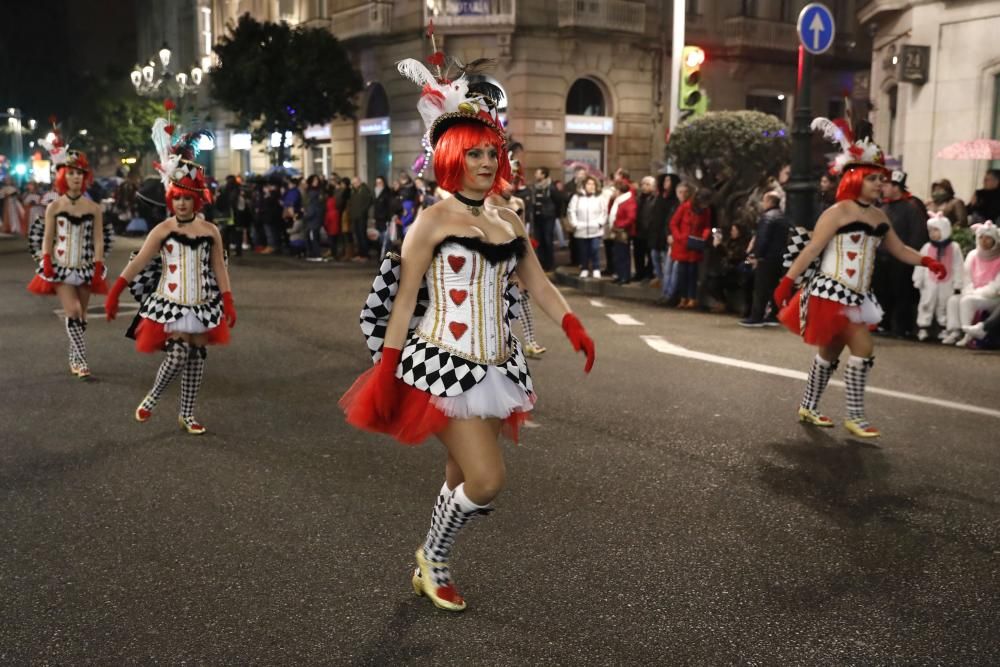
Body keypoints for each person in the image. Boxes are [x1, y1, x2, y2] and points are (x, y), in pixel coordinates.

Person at [340, 55, 595, 613]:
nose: (484, 162)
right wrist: (386, 367)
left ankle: (432, 559)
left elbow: (538, 282)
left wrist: (572, 324)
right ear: (452, 158)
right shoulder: (432, 220)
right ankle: (432, 558)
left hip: (498, 368)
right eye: (473, 153)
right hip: (441, 365)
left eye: (490, 152)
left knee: (459, 476)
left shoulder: (509, 220)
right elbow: (404, 299)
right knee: (486, 480)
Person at [774, 118, 946, 438]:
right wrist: (787, 282)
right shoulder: (837, 212)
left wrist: (926, 261)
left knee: (830, 352)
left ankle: (808, 407)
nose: (879, 185)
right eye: (873, 180)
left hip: (857, 294)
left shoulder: (880, 216)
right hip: (831, 290)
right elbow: (812, 249)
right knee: (863, 348)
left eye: (881, 180)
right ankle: (855, 416)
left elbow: (899, 248)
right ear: (855, 179)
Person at [104, 122, 237, 435]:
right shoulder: (162, 230)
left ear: (196, 201)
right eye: (177, 198)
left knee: (197, 356)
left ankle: (187, 414)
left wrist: (228, 302)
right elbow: (138, 264)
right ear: (171, 198)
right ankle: (152, 397)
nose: (181, 204)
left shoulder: (209, 230)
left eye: (187, 199)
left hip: (203, 303)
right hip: (171, 302)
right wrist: (114, 293)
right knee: (178, 354)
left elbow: (219, 267)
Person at [26, 141, 108, 379]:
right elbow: (48, 237)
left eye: (79, 173)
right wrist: (47, 259)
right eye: (71, 173)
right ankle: (82, 362)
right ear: (63, 175)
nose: (75, 177)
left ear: (85, 177)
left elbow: (99, 239)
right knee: (72, 311)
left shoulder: (93, 208)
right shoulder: (54, 206)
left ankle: (74, 357)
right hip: (60, 266)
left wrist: (98, 263)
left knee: (81, 315)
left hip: (85, 266)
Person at [874, 170, 929, 338]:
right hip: (882, 257)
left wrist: (911, 255)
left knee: (901, 293)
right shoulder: (884, 207)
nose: (882, 188)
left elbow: (917, 234)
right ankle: (885, 323)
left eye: (886, 184)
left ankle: (901, 327)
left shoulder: (912, 207)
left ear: (896, 186)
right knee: (883, 291)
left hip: (901, 258)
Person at [941, 221, 1000, 346]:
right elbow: (966, 276)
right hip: (972, 291)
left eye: (988, 238)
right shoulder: (973, 255)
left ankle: (968, 334)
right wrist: (969, 290)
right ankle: (955, 331)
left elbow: (996, 286)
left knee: (967, 301)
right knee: (953, 300)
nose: (984, 241)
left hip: (992, 297)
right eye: (981, 238)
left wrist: (978, 293)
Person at [913, 213, 965, 341]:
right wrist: (918, 278)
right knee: (926, 303)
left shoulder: (954, 248)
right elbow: (920, 263)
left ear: (945, 230)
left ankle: (943, 328)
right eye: (930, 231)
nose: (932, 233)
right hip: (929, 282)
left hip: (947, 282)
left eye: (936, 230)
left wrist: (958, 283)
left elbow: (958, 266)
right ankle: (923, 327)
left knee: (944, 304)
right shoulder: (927, 247)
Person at [741, 191, 789, 326]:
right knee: (774, 287)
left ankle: (756, 316)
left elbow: (762, 238)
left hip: (767, 257)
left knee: (761, 287)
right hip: (779, 257)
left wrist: (756, 255)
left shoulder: (767, 218)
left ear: (768, 202)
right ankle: (773, 315)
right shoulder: (783, 218)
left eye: (763, 200)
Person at [669, 188, 712, 308]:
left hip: (695, 244)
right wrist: (679, 237)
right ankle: (683, 298)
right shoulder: (685, 207)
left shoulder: (706, 211)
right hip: (682, 244)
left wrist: (704, 236)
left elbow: (707, 226)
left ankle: (692, 298)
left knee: (693, 272)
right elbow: (673, 223)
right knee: (682, 272)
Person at [567, 175, 607, 278]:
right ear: (584, 185)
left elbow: (604, 211)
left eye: (593, 184)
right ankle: (584, 268)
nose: (591, 186)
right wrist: (575, 224)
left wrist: (600, 223)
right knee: (583, 250)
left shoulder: (599, 197)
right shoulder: (577, 197)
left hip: (595, 229)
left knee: (594, 249)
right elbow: (571, 211)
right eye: (589, 184)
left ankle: (596, 268)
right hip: (581, 229)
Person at [650, 174, 680, 290]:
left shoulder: (674, 200)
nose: (666, 182)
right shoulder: (660, 197)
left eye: (669, 180)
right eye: (665, 180)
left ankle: (667, 287)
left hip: (667, 234)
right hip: (656, 233)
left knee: (665, 260)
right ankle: (660, 279)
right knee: (654, 256)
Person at [528, 167, 559, 271]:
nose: (535, 175)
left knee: (548, 240)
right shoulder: (534, 187)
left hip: (548, 217)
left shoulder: (551, 187)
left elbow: (557, 200)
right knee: (539, 240)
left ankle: (549, 264)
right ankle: (541, 263)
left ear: (543, 175)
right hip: (537, 218)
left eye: (537, 173)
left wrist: (554, 213)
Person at [633, 176, 662, 282]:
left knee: (650, 255)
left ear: (654, 187)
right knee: (638, 254)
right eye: (643, 184)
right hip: (639, 231)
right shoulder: (639, 198)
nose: (644, 187)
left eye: (647, 184)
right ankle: (639, 273)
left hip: (650, 232)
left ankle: (649, 273)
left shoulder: (657, 199)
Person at [609, 179, 637, 284]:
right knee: (618, 254)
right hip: (617, 230)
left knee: (623, 254)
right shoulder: (618, 201)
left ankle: (625, 276)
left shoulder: (628, 201)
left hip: (623, 231)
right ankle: (620, 274)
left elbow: (631, 218)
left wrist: (619, 225)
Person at [349, 176, 373, 261]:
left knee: (362, 235)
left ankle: (365, 254)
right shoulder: (353, 191)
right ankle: (360, 254)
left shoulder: (364, 190)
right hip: (355, 216)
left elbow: (368, 202)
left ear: (359, 182)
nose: (353, 185)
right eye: (353, 183)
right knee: (358, 236)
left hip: (361, 217)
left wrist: (362, 211)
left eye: (355, 183)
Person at [302, 174, 326, 261]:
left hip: (314, 217)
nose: (315, 182)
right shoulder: (310, 191)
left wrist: (307, 214)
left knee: (313, 236)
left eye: (317, 180)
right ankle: (312, 253)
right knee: (310, 236)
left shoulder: (316, 192)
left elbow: (314, 206)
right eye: (314, 181)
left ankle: (316, 254)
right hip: (312, 217)